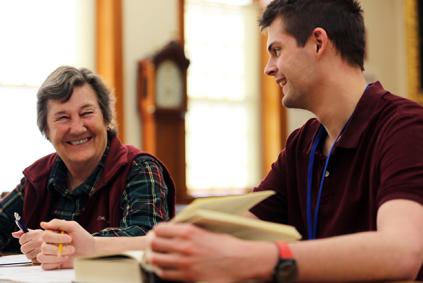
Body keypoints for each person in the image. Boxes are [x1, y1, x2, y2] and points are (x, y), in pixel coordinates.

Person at [38, 0, 423, 281]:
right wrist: (94, 247)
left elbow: (402, 251)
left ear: (318, 43)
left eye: (277, 50)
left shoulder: (405, 127)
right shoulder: (302, 144)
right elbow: (217, 232)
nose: (269, 67)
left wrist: (253, 259)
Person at [0, 66, 175, 265]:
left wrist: (60, 243)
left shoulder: (140, 168)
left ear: (106, 118)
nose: (77, 128)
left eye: (87, 113)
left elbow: (146, 236)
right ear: (46, 130)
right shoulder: (37, 177)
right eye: (63, 117)